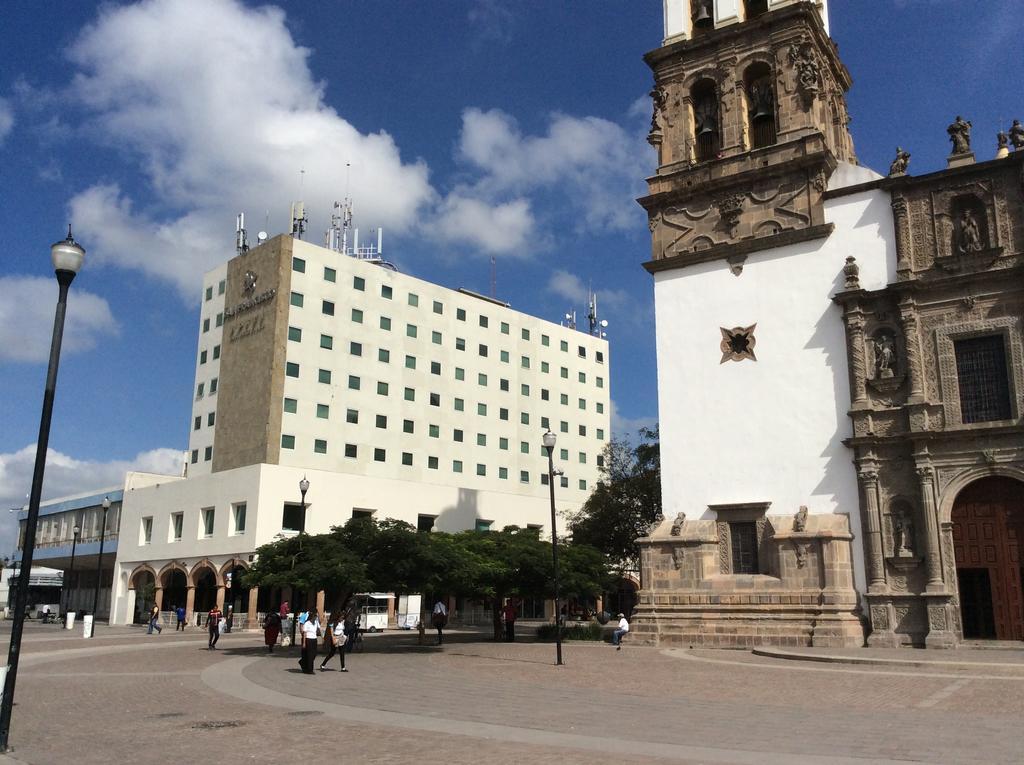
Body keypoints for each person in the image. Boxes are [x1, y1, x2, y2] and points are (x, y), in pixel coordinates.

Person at [299, 608, 320, 674]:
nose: (316, 617)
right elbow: (304, 633)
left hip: (314, 639)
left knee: (314, 654)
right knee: (310, 655)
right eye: (315, 616)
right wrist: (304, 643)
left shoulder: (316, 622)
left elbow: (318, 630)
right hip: (308, 639)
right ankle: (310, 670)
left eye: (316, 616)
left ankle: (303, 662)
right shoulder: (307, 623)